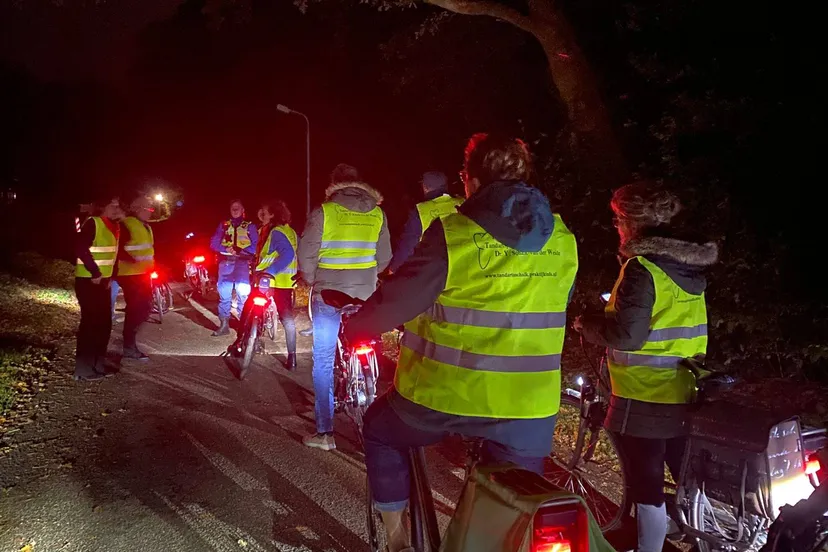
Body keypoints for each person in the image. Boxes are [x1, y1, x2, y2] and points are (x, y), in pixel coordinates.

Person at [344, 133, 579, 552]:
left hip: (441, 396)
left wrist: (357, 328)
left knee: (380, 430)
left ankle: (397, 541)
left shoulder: (452, 233)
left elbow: (399, 300)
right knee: (516, 505)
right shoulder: (563, 238)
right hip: (528, 408)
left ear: (470, 181)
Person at [574, 182, 718, 552]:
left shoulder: (642, 268)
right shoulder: (686, 267)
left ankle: (649, 546)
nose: (616, 227)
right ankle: (697, 534)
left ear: (631, 222)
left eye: (617, 219)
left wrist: (587, 325)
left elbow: (628, 335)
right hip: (683, 387)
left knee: (646, 482)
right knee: (682, 473)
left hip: (644, 392)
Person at [297, 163, 392, 450]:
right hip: (364, 295)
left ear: (333, 185)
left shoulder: (324, 212)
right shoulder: (377, 213)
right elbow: (384, 258)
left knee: (324, 360)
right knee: (367, 340)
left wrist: (312, 280)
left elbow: (306, 256)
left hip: (328, 295)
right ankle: (369, 382)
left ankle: (325, 433)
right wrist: (368, 275)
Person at [231, 200, 298, 369]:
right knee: (287, 318)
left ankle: (239, 342)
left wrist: (270, 271)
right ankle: (292, 357)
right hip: (286, 282)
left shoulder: (275, 232)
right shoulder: (290, 231)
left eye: (264, 212)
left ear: (273, 214)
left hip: (269, 280)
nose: (261, 214)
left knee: (248, 308)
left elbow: (288, 254)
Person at [74, 198, 124, 381]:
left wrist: (110, 277)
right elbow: (80, 248)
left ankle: (97, 365)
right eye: (113, 206)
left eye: (118, 206)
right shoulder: (93, 223)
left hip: (103, 283)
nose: (117, 209)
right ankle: (83, 369)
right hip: (89, 281)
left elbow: (112, 256)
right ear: (103, 207)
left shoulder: (113, 226)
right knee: (90, 324)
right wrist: (95, 272)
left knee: (103, 324)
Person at [387, 171, 463, 273]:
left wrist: (394, 268)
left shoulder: (421, 210)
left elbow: (409, 245)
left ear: (425, 187)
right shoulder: (462, 202)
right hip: (463, 262)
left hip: (435, 269)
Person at [209, 199, 258, 336]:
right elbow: (213, 243)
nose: (235, 210)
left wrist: (241, 250)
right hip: (226, 264)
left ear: (243, 210)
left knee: (243, 295)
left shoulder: (250, 226)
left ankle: (244, 326)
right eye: (233, 208)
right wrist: (225, 248)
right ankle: (224, 325)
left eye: (238, 208)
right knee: (224, 295)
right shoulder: (224, 225)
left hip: (243, 263)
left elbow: (256, 245)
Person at [116, 196, 156, 361]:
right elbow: (119, 248)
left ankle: (130, 344)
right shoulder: (127, 224)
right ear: (138, 208)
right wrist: (133, 259)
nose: (151, 212)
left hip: (142, 274)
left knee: (144, 308)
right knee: (136, 309)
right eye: (148, 209)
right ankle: (129, 347)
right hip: (129, 274)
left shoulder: (144, 226)